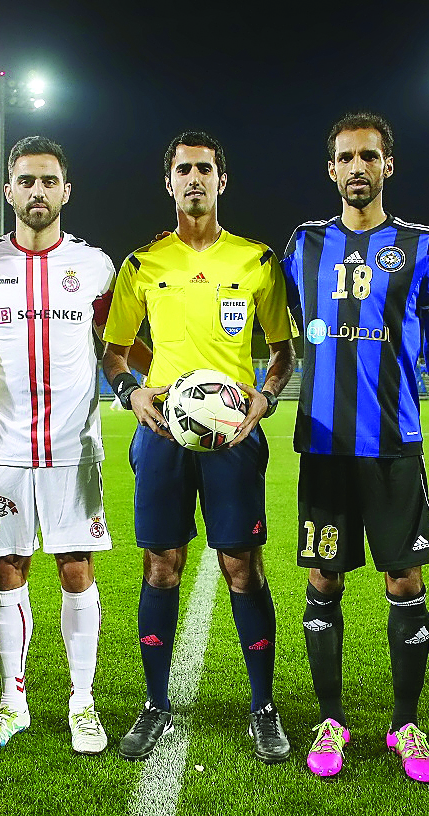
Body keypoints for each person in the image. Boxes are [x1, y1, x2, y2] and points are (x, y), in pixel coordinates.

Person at [101, 131, 296, 763]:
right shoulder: (142, 265)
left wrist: (265, 398)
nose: (194, 179)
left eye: (204, 169)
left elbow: (283, 352)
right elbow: (114, 352)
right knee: (161, 565)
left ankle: (263, 707)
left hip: (234, 435)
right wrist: (132, 392)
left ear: (221, 181)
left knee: (242, 566)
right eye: (183, 170)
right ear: (169, 183)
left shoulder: (257, 260)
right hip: (164, 433)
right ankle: (155, 704)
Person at [280, 112, 429, 782]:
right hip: (324, 447)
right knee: (323, 578)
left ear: (388, 165)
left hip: (393, 446)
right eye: (346, 157)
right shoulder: (302, 245)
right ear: (330, 169)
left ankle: (405, 724)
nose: (358, 167)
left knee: (405, 579)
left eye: (369, 156)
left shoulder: (424, 246)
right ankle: (330, 720)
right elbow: (275, 322)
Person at [0, 136, 151, 755]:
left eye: (48, 181)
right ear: (9, 190)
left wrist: (164, 380)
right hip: (5, 446)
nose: (37, 191)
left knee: (76, 566)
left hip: (77, 449)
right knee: (8, 567)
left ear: (66, 191)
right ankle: (12, 703)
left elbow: (119, 341)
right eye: (26, 180)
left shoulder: (95, 266)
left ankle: (82, 703)